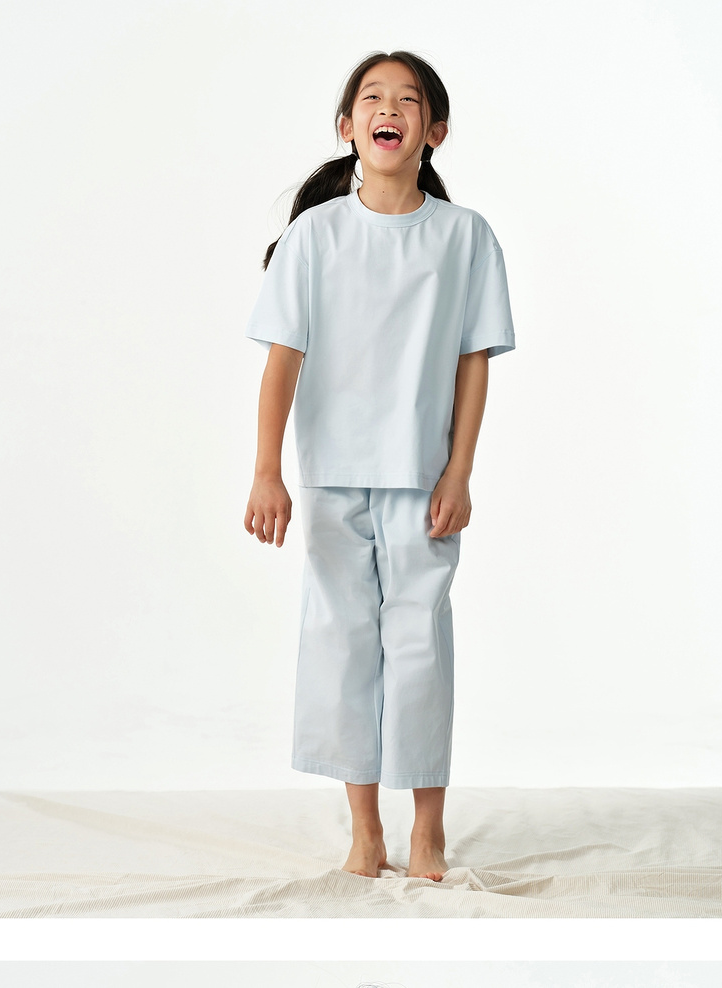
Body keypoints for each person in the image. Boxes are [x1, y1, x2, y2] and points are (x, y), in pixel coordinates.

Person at [243, 50, 515, 881]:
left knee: (420, 644)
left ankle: (427, 831)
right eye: (371, 97)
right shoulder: (314, 237)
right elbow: (283, 360)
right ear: (347, 126)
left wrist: (459, 470)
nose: (387, 108)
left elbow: (474, 360)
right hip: (331, 474)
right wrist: (266, 470)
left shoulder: (464, 237)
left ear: (435, 130)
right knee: (342, 643)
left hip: (424, 478)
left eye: (407, 100)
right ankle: (365, 831)